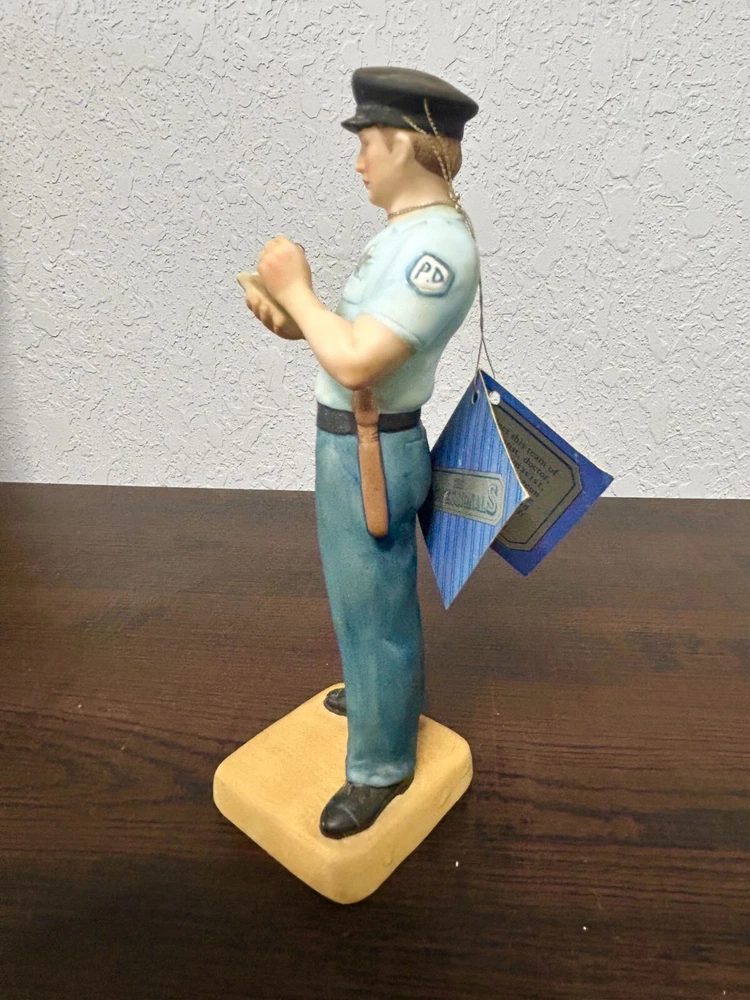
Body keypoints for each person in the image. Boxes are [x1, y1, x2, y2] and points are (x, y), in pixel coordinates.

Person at [238, 67, 480, 839]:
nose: (359, 161)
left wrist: (298, 290)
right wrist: (291, 316)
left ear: (405, 145)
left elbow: (356, 361)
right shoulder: (403, 237)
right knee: (355, 598)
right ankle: (380, 697)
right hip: (349, 442)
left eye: (368, 143)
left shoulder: (436, 249)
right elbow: (343, 338)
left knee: (376, 609)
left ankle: (382, 763)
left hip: (375, 447)